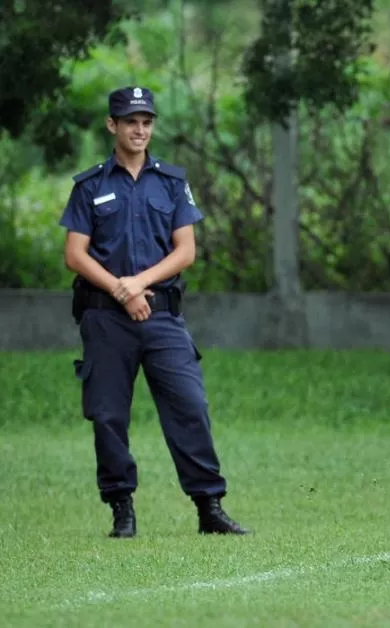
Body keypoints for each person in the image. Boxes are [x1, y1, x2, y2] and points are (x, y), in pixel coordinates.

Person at [60, 86, 248, 538]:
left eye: (146, 122)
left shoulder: (171, 181)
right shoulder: (91, 186)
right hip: (106, 319)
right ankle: (121, 509)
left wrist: (139, 284)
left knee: (190, 406)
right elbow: (75, 254)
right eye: (130, 122)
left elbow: (186, 252)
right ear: (112, 126)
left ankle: (209, 507)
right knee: (107, 415)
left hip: (162, 316)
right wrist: (121, 292)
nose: (139, 129)